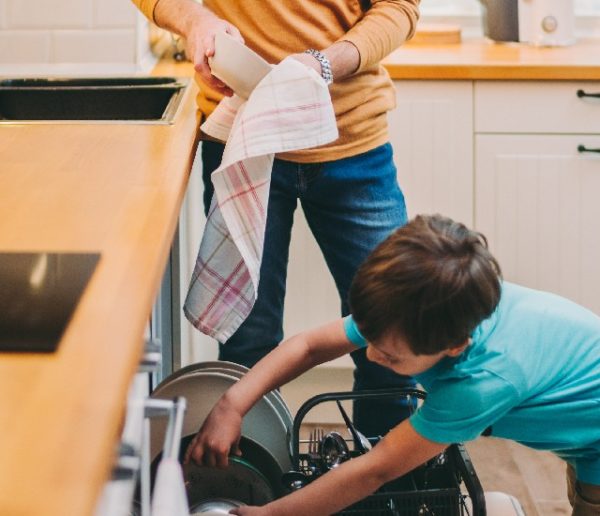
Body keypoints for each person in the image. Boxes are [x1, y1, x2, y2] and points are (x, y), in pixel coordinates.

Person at [132, 0, 421, 436]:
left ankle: (384, 495)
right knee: (247, 346)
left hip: (354, 140)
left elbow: (398, 7)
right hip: (246, 136)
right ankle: (256, 492)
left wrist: (325, 63)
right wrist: (196, 21)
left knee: (392, 336)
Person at [185, 214, 600, 516]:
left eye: (389, 356)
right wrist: (232, 404)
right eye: (369, 338)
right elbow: (311, 346)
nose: (370, 356)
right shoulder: (414, 307)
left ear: (455, 348)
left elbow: (376, 469)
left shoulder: (478, 383)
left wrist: (274, 515)